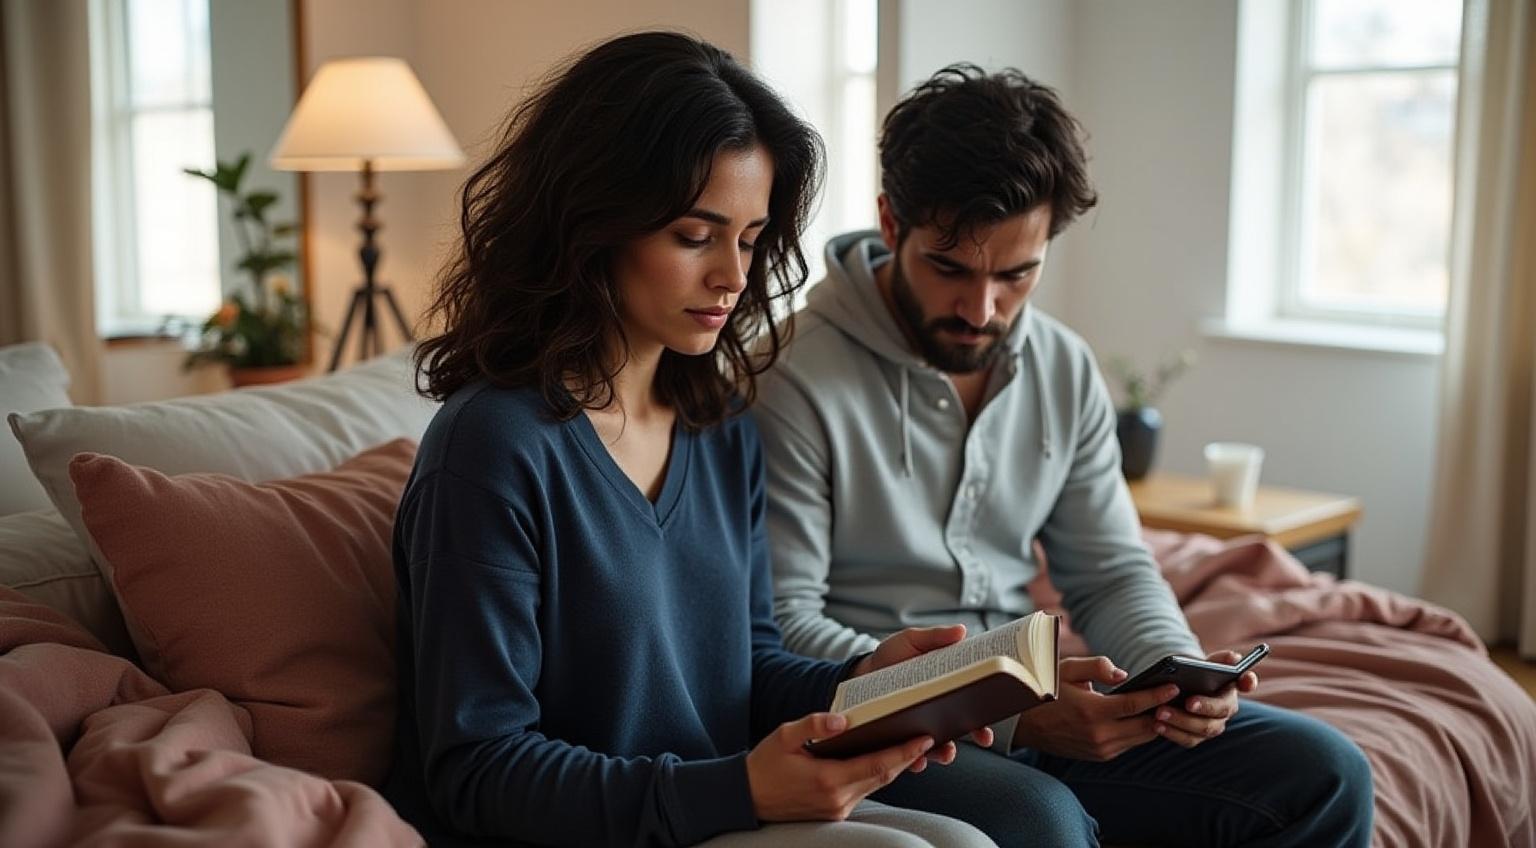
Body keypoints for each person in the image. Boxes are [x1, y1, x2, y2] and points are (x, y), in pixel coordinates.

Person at [382, 32, 998, 848]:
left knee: (986, 834)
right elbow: (477, 769)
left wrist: (865, 682)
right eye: (694, 236)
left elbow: (745, 666)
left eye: (748, 238)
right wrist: (736, 789)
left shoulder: (719, 426)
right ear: (592, 223)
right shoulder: (492, 448)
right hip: (597, 829)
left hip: (715, 807)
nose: (733, 278)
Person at [757, 64, 1374, 847]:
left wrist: (1173, 678)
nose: (982, 309)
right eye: (949, 268)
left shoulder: (1063, 365)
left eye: (1017, 273)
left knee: (1324, 771)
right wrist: (1011, 711)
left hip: (1033, 700)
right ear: (889, 222)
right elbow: (784, 630)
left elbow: (1109, 570)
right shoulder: (788, 378)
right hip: (884, 723)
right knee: (1042, 821)